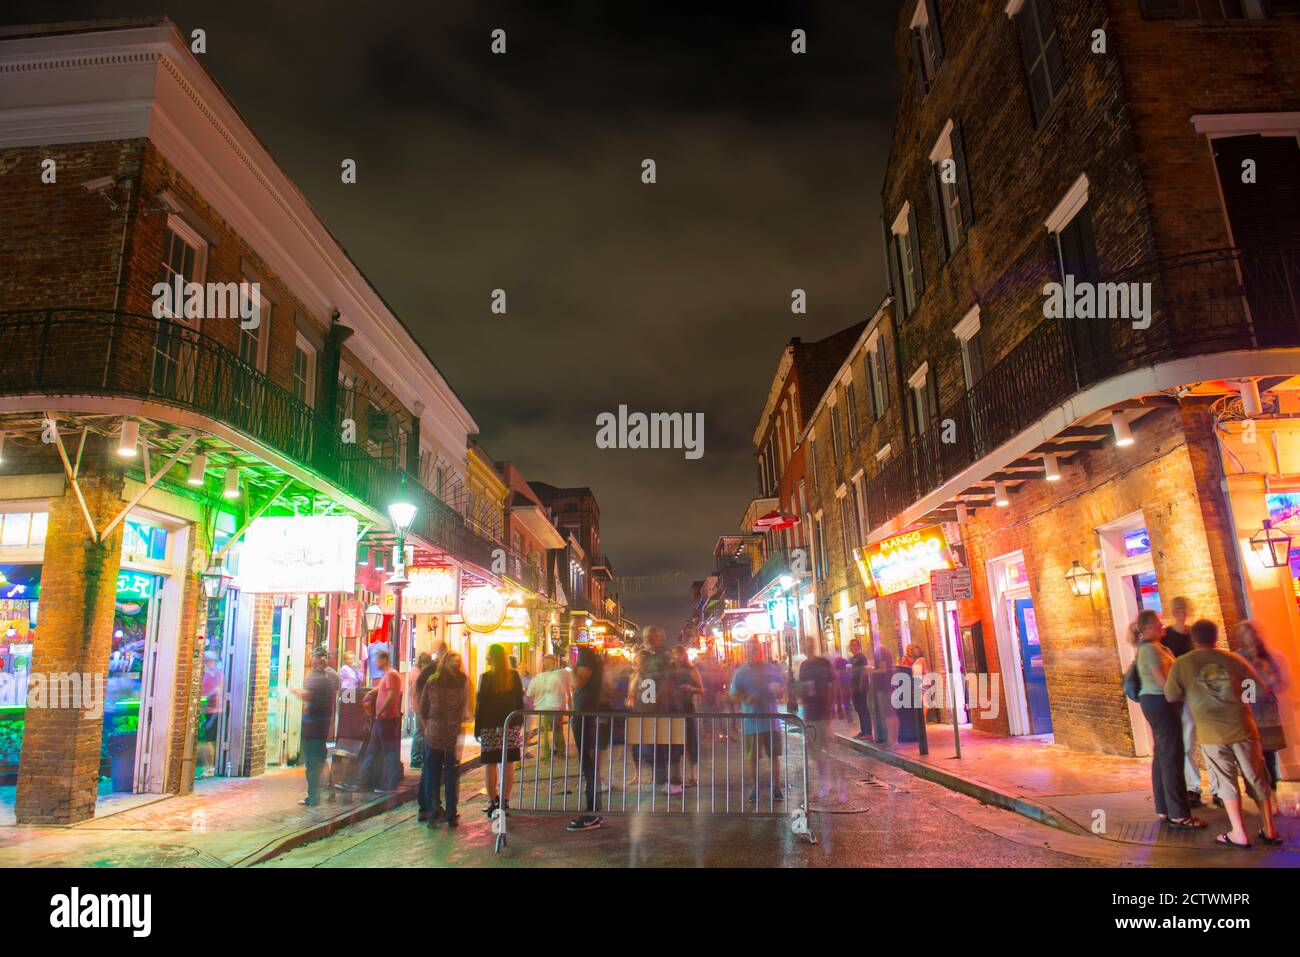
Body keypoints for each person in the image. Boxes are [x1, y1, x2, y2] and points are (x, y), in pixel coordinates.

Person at [1166, 619, 1280, 848]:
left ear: (1194, 639)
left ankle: (1239, 833)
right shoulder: (1233, 659)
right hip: (1242, 727)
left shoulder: (1183, 664)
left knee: (1225, 781)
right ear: (1215, 637)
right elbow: (1257, 688)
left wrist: (1195, 694)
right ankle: (1269, 830)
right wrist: (1241, 702)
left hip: (1211, 733)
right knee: (1257, 777)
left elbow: (1171, 695)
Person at [1133, 610, 1203, 830]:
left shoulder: (1155, 647)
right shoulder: (1149, 650)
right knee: (1172, 754)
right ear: (1145, 628)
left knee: (1162, 754)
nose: (1161, 625)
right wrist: (1181, 695)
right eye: (1156, 623)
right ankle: (1179, 814)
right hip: (1160, 702)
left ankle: (1164, 808)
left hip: (1158, 701)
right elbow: (1163, 681)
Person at [1232, 619, 1288, 807]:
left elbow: (1280, 682)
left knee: (1269, 758)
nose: (1253, 637)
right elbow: (1243, 689)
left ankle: (1271, 797)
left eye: (1254, 633)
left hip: (1269, 715)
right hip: (1251, 715)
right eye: (1248, 634)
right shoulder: (1239, 658)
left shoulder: (1269, 657)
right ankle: (1262, 798)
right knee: (1255, 760)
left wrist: (1269, 682)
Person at [730, 639, 785, 804]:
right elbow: (733, 695)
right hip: (752, 722)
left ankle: (776, 787)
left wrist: (779, 691)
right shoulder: (740, 672)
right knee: (753, 757)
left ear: (760, 651)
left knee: (774, 755)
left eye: (756, 649)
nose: (754, 652)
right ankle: (755, 787)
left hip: (771, 720)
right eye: (751, 649)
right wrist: (746, 698)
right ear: (746, 652)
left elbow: (782, 690)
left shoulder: (772, 669)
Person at [474, 643, 524, 818]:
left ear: (491, 658)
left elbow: (480, 705)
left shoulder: (485, 678)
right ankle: (505, 800)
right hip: (509, 725)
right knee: (508, 763)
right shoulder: (514, 676)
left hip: (489, 726)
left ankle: (492, 801)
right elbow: (520, 701)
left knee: (491, 765)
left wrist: (477, 728)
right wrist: (519, 722)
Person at [627, 626, 679, 791]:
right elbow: (636, 674)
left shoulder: (665, 655)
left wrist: (660, 698)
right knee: (647, 743)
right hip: (642, 704)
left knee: (661, 742)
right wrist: (631, 693)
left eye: (653, 636)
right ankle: (657, 778)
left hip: (660, 705)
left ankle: (664, 780)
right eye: (647, 636)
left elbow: (669, 679)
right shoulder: (640, 654)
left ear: (659, 638)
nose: (649, 639)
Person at [419, 650, 468, 827]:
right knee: (450, 774)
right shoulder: (461, 683)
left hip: (434, 733)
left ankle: (433, 814)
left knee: (433, 775)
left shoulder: (432, 682)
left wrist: (427, 727)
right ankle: (451, 814)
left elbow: (423, 707)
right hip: (451, 733)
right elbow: (463, 708)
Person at [1164, 597, 1202, 807]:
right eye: (1177, 609)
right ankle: (1193, 786)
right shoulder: (1167, 636)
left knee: (1209, 741)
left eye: (1183, 608)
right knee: (1187, 740)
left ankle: (1217, 788)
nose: (1181, 612)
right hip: (1184, 694)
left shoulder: (1193, 634)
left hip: (1200, 693)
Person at [567, 639, 607, 831]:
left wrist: (569, 660)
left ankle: (592, 813)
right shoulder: (588, 654)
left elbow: (578, 681)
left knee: (589, 766)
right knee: (589, 766)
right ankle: (594, 812)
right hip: (585, 715)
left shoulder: (586, 654)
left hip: (586, 716)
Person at [351, 650, 403, 793]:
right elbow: (383, 688)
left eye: (377, 660)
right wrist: (371, 692)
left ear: (384, 659)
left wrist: (381, 711)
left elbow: (392, 695)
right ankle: (362, 782)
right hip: (380, 719)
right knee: (372, 751)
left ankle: (391, 785)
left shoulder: (391, 674)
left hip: (386, 719)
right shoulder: (387, 675)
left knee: (390, 753)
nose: (375, 663)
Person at [292, 648, 334, 806]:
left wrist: (296, 691)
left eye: (313, 657)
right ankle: (329, 792)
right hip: (322, 726)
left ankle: (313, 796)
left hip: (313, 726)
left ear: (316, 659)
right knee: (320, 759)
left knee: (312, 763)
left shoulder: (314, 677)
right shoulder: (329, 678)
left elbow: (308, 695)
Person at [799, 647, 841, 800]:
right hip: (811, 713)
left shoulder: (824, 663)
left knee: (829, 748)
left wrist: (835, 704)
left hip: (825, 712)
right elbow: (800, 688)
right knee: (816, 751)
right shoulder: (804, 666)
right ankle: (825, 782)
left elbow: (834, 683)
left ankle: (836, 783)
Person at [669, 644, 704, 787]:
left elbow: (701, 689)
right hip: (673, 708)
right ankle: (677, 775)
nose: (678, 656)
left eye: (680, 653)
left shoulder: (692, 669)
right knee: (675, 742)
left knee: (691, 741)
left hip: (687, 707)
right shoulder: (669, 670)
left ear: (685, 655)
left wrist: (691, 688)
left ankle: (694, 776)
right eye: (675, 653)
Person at [528, 655, 572, 757]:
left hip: (541, 709)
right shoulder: (558, 676)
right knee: (557, 730)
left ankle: (546, 753)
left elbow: (529, 693)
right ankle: (560, 751)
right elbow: (563, 692)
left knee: (543, 733)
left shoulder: (537, 678)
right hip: (555, 707)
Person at [408, 653, 433, 773]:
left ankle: (418, 757)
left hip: (418, 705)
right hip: (419, 706)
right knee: (419, 732)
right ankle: (416, 759)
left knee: (420, 732)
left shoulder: (415, 673)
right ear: (422, 663)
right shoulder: (418, 675)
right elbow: (418, 692)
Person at [847, 639, 872, 740]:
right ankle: (863, 730)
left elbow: (864, 671)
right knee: (858, 709)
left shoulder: (861, 657)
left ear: (858, 646)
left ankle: (868, 732)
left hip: (860, 686)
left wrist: (862, 683)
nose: (854, 647)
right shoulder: (852, 659)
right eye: (852, 645)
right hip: (853, 686)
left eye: (855, 645)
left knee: (863, 708)